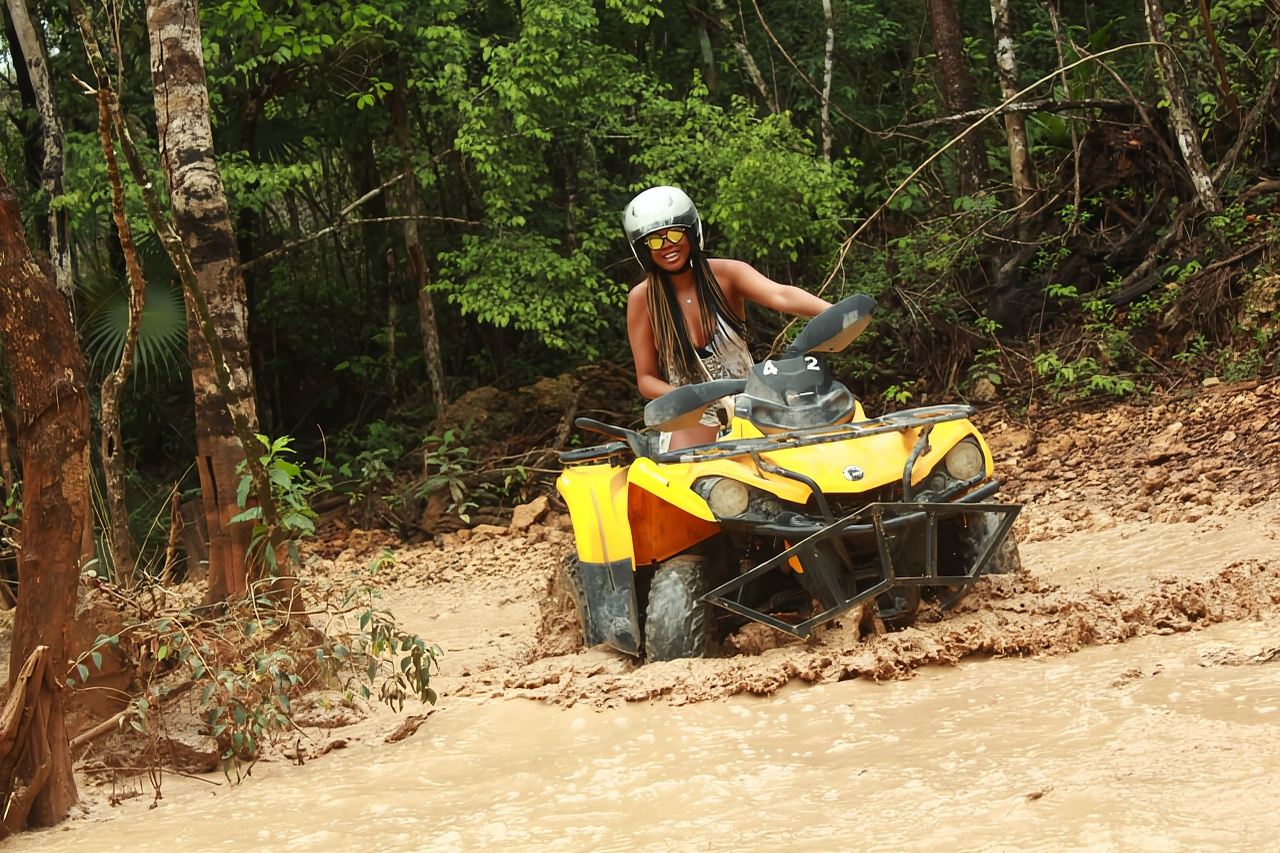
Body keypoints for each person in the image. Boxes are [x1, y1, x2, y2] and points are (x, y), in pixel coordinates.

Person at [623, 185, 831, 450]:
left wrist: (834, 312)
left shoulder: (726, 275)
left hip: (754, 407)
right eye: (655, 240)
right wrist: (688, 397)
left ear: (690, 231)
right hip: (692, 417)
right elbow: (646, 378)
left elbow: (781, 295)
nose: (667, 246)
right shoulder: (643, 298)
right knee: (691, 482)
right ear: (643, 249)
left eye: (674, 234)